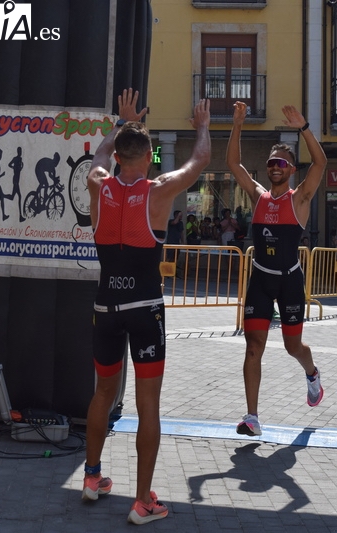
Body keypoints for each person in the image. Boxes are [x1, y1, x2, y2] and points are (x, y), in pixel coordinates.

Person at [82, 89, 210, 525]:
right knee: (148, 404)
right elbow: (200, 161)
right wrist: (202, 126)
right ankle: (142, 501)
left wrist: (120, 123)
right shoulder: (158, 190)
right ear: (151, 156)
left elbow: (99, 154)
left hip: (106, 307)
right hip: (145, 308)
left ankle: (92, 477)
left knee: (102, 393)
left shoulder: (98, 183)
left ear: (119, 156)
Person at [226, 100, 327, 438]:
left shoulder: (300, 198)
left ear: (291, 169)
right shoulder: (259, 196)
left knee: (292, 347)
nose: (275, 167)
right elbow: (233, 164)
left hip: (289, 281)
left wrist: (304, 127)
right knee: (253, 347)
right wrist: (237, 124)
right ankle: (252, 417)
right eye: (271, 163)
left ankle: (312, 374)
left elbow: (321, 162)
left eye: (281, 163)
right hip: (260, 279)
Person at [6, 146, 26, 222]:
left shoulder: (20, 159)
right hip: (15, 180)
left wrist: (21, 167)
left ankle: (2, 196)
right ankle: (20, 216)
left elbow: (19, 170)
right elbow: (9, 164)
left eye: (21, 151)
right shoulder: (15, 158)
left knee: (12, 197)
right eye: (19, 151)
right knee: (19, 196)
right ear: (18, 151)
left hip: (17, 179)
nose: (20, 153)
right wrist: (14, 168)